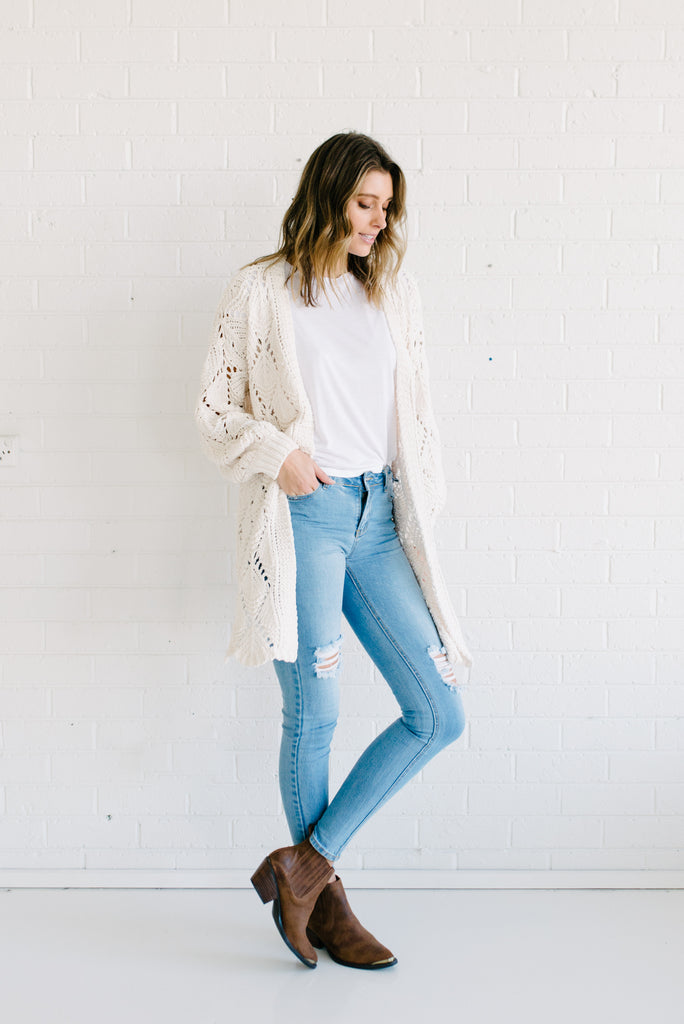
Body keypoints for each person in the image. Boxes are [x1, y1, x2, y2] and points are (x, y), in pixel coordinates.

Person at [195, 131, 474, 971]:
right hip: (304, 518)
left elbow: (414, 413)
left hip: (378, 518)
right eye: (364, 203)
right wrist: (277, 451)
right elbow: (215, 410)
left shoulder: (391, 292)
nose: (377, 221)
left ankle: (305, 869)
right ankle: (327, 907)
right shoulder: (261, 291)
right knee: (314, 713)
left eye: (387, 207)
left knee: (439, 712)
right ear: (327, 196)